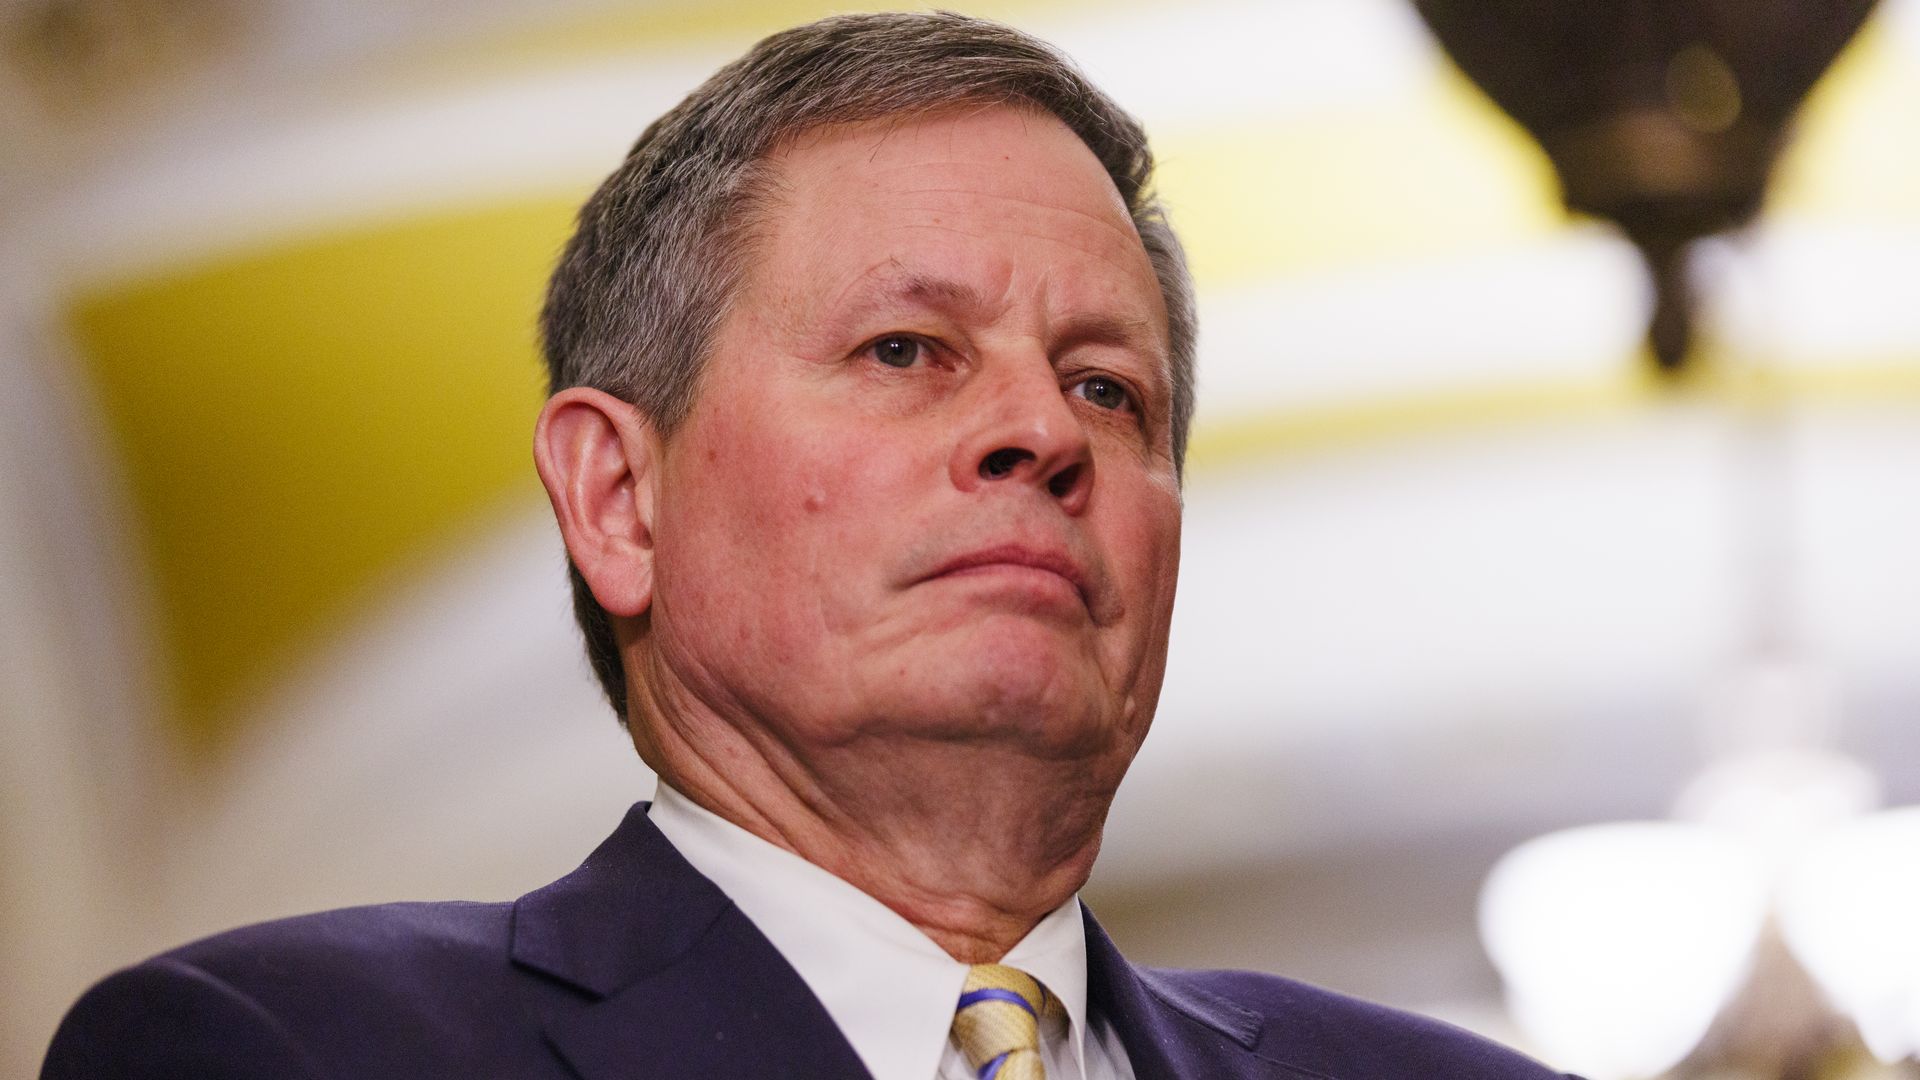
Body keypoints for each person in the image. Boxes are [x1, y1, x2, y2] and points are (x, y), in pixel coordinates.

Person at [44, 13, 1576, 1079]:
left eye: (1109, 389)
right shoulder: (286, 1052)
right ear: (618, 499)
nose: (1042, 431)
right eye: (907, 349)